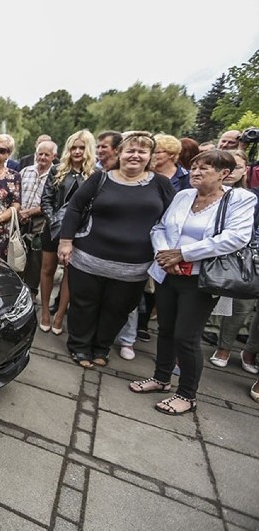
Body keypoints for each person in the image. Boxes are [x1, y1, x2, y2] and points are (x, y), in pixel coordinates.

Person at [131, 150, 255, 415]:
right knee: (165, 330)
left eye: (205, 168)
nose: (196, 172)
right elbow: (160, 228)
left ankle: (187, 395)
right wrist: (164, 255)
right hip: (168, 273)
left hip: (200, 281)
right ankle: (161, 378)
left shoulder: (238, 200)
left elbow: (235, 238)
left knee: (186, 337)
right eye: (194, 167)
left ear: (224, 174)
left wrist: (184, 254)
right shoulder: (184, 195)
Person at [58, 131, 175, 369]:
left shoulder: (161, 184)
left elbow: (173, 219)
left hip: (133, 267)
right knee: (84, 304)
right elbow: (75, 209)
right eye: (130, 150)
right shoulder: (100, 179)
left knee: (118, 309)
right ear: (119, 153)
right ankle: (79, 347)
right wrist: (65, 241)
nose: (135, 155)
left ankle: (101, 348)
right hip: (88, 259)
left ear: (150, 156)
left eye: (142, 151)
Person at [39, 130, 97, 334]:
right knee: (47, 270)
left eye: (82, 147)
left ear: (89, 149)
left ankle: (60, 315)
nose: (77, 151)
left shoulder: (95, 174)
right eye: (74, 147)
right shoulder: (57, 170)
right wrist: (54, 221)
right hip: (53, 228)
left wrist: (76, 228)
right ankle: (45, 311)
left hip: (79, 233)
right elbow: (46, 199)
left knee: (69, 275)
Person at [209, 150, 256, 369]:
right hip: (216, 255)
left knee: (242, 306)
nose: (229, 172)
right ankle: (223, 346)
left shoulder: (249, 195)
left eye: (237, 167)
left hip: (246, 257)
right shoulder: (200, 192)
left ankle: (247, 351)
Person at [18, 139, 56, 294]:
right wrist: (21, 211)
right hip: (20, 219)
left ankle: (31, 291)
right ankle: (17, 287)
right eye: (40, 154)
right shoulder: (26, 171)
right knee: (18, 254)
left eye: (47, 155)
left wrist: (29, 212)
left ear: (54, 156)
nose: (42, 157)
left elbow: (53, 201)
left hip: (41, 223)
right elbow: (15, 193)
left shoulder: (57, 174)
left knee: (36, 259)